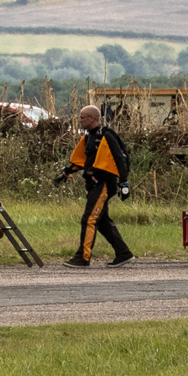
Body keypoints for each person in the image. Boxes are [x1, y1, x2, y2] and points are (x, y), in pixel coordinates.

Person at [55, 104, 134, 267]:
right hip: (93, 184)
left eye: (82, 118)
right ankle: (123, 253)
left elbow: (119, 158)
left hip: (104, 183)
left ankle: (82, 257)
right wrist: (67, 171)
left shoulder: (106, 135)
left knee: (89, 218)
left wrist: (124, 183)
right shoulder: (88, 136)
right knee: (102, 220)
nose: (80, 120)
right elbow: (83, 160)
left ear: (92, 118)